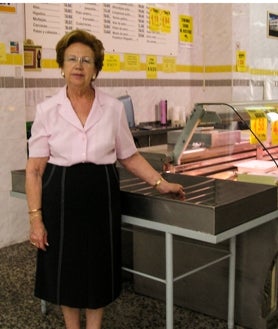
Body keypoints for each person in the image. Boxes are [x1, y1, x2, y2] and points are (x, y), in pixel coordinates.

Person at [25, 29, 185, 329]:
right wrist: (36, 219)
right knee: (66, 268)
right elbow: (34, 170)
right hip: (61, 194)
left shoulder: (112, 108)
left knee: (98, 265)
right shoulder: (47, 110)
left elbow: (129, 155)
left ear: (96, 69)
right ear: (61, 65)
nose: (78, 65)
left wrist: (161, 183)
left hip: (101, 194)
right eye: (72, 59)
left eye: (86, 60)